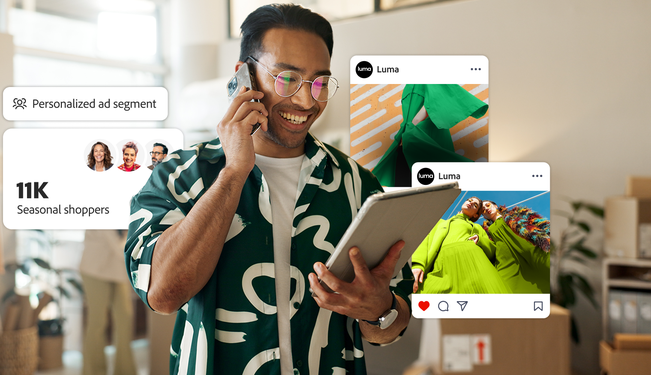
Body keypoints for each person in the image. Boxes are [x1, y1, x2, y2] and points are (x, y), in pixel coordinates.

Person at [125, 4, 412, 374]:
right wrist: (233, 173)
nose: (307, 101)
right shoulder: (179, 175)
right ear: (244, 76)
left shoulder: (358, 185)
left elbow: (393, 324)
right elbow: (162, 295)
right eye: (287, 78)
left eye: (320, 83)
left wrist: (380, 311)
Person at [411, 197, 510, 294]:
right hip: (443, 265)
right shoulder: (440, 222)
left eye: (475, 205)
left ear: (476, 215)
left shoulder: (477, 227)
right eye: (469, 200)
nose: (470, 203)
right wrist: (417, 264)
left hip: (476, 262)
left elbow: (492, 250)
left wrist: (480, 240)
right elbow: (424, 242)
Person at [79, 230, 136, 375]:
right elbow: (118, 246)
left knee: (125, 318)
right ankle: (94, 371)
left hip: (117, 269)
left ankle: (125, 371)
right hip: (95, 269)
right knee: (98, 322)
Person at [481, 200, 550, 294]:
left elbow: (542, 224)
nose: (486, 209)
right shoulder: (485, 231)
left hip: (531, 248)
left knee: (548, 269)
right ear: (484, 216)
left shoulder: (517, 213)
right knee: (505, 288)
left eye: (487, 205)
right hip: (507, 261)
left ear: (495, 206)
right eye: (483, 210)